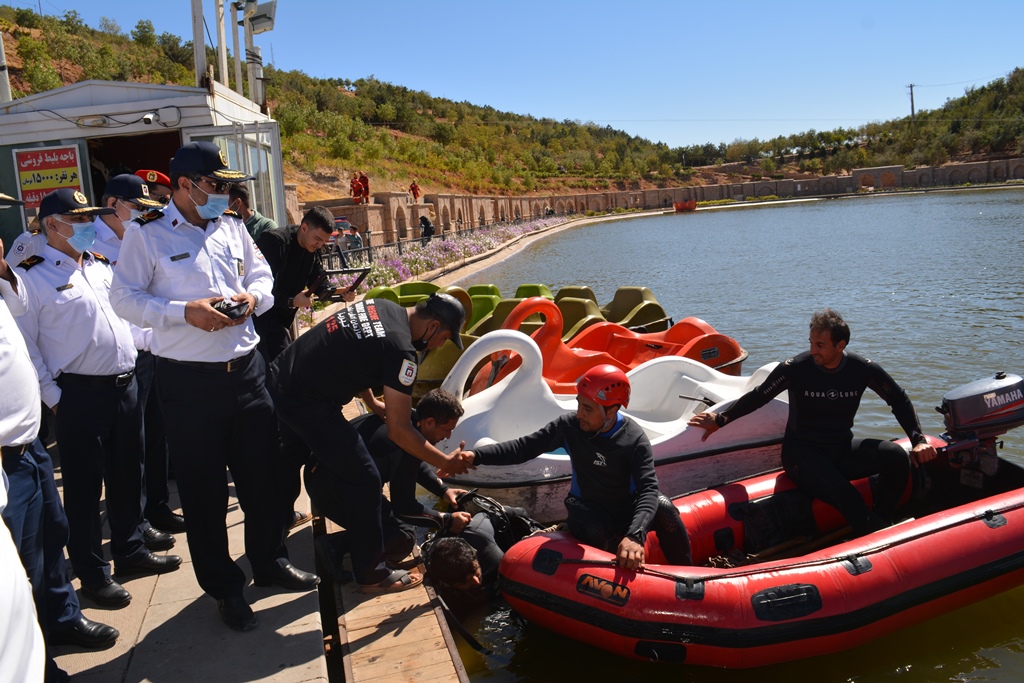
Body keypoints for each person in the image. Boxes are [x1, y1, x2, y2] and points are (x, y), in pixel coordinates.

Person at [109, 141, 319, 632]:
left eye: (227, 186)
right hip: (188, 383)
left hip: (246, 372)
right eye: (215, 185)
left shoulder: (231, 227)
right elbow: (124, 298)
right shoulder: (147, 234)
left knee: (263, 477)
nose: (224, 194)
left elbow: (263, 276)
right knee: (203, 495)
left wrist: (253, 297)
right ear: (185, 185)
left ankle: (268, 562)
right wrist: (183, 312)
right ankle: (225, 589)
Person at [15, 189, 182, 613]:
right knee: (86, 492)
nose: (91, 226)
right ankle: (92, 574)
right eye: (80, 219)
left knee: (130, 472)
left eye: (91, 217)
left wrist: (168, 339)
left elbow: (126, 321)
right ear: (52, 225)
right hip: (78, 396)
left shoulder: (102, 266)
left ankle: (129, 550)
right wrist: (54, 397)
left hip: (125, 387)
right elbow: (28, 348)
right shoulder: (30, 278)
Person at [266, 293, 473, 593]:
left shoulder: (384, 308)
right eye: (442, 338)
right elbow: (400, 430)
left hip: (283, 375)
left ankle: (273, 539)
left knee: (289, 459)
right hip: (306, 400)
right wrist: (446, 463)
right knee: (364, 477)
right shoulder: (403, 352)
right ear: (432, 326)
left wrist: (372, 401)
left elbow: (357, 352)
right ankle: (372, 574)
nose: (438, 345)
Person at [688, 308, 938, 536]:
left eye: (820, 345)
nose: (812, 350)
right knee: (847, 495)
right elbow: (759, 396)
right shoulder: (796, 369)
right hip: (801, 455)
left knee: (895, 456)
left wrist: (918, 440)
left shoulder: (861, 369)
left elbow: (898, 398)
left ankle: (882, 520)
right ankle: (879, 535)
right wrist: (720, 419)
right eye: (811, 343)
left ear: (840, 345)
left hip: (840, 449)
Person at [2, 200, 117, 682]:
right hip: (7, 461)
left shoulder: (8, 280)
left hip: (28, 447)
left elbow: (20, 325)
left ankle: (63, 621)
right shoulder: (29, 269)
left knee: (52, 541)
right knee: (19, 567)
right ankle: (34, 661)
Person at [462, 365, 691, 570]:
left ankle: (688, 574)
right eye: (579, 404)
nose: (579, 413)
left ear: (611, 411)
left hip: (624, 508)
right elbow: (524, 448)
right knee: (596, 530)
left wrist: (635, 535)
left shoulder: (634, 439)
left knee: (665, 508)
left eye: (588, 409)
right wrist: (475, 456)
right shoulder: (569, 427)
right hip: (586, 508)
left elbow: (648, 489)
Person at [91, 175, 185, 539]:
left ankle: (158, 507)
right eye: (136, 206)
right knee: (133, 444)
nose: (142, 214)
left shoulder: (141, 234)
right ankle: (137, 519)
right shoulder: (88, 244)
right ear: (113, 204)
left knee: (157, 433)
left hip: (151, 347)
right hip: (119, 358)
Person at [311, 388, 469, 580]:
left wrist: (443, 491)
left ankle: (345, 541)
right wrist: (447, 520)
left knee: (398, 524)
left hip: (321, 474)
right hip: (330, 492)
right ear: (429, 422)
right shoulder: (404, 441)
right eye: (446, 430)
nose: (448, 436)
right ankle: (335, 545)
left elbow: (415, 465)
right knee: (404, 537)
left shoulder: (403, 419)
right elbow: (405, 508)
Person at [254, 206, 355, 364]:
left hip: (279, 323)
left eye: (323, 241)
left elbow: (318, 280)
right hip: (256, 322)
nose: (319, 245)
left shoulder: (312, 248)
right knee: (262, 373)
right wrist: (291, 301)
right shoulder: (275, 242)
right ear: (304, 227)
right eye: (317, 239)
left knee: (283, 370)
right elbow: (256, 291)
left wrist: (340, 293)